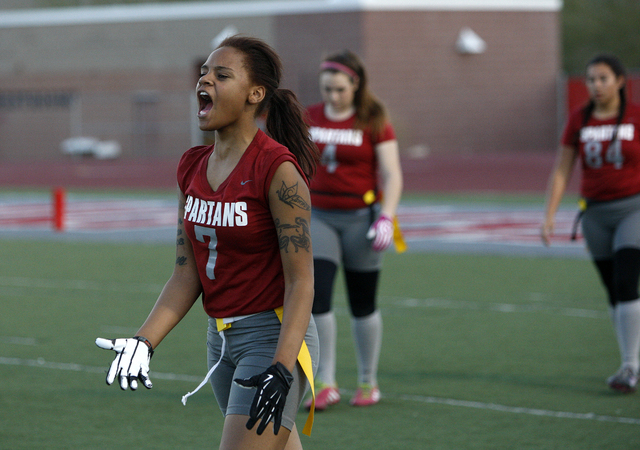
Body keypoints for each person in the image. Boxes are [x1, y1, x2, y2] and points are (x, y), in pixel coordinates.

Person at [95, 35, 320, 450]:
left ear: (255, 94)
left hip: (272, 338)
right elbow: (186, 273)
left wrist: (282, 367)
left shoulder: (277, 169)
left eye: (222, 75)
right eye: (203, 73)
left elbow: (302, 282)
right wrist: (145, 340)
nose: (206, 81)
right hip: (220, 341)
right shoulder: (191, 165)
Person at [303, 50, 403, 410]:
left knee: (363, 304)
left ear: (355, 85)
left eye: (339, 89)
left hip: (361, 218)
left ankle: (367, 379)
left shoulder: (372, 119)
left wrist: (386, 216)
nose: (332, 96)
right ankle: (325, 380)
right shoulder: (309, 117)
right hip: (319, 216)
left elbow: (392, 173)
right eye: (326, 89)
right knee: (319, 299)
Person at [541, 54, 640, 394]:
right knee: (613, 289)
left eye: (603, 79)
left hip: (633, 208)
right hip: (595, 213)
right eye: (591, 80)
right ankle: (629, 357)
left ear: (620, 81)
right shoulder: (579, 119)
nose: (596, 86)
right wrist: (550, 214)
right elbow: (562, 169)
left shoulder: (636, 116)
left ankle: (630, 365)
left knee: (628, 279)